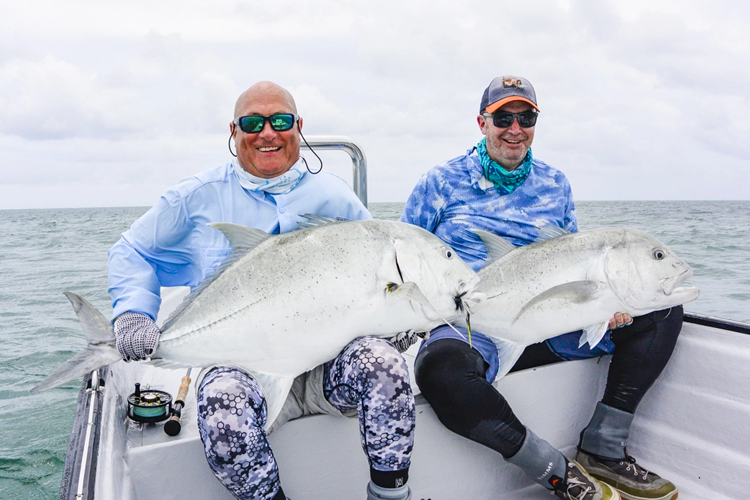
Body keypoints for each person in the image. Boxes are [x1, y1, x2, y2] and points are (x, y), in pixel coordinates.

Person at [108, 81, 414, 500]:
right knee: (221, 407)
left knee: (385, 364)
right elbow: (132, 249)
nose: (267, 133)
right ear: (233, 132)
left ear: (298, 127)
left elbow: (381, 275)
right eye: (252, 122)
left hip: (328, 363)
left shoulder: (335, 197)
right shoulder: (197, 197)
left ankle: (390, 495)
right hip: (245, 361)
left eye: (281, 121)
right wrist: (134, 312)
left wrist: (399, 318)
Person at [401, 76, 682, 500]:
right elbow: (406, 260)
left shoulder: (555, 184)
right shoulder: (439, 183)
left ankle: (603, 448)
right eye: (503, 117)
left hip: (553, 325)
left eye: (526, 116)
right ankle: (558, 472)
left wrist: (610, 303)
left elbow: (574, 262)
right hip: (478, 326)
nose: (515, 128)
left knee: (662, 311)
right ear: (482, 122)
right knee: (440, 371)